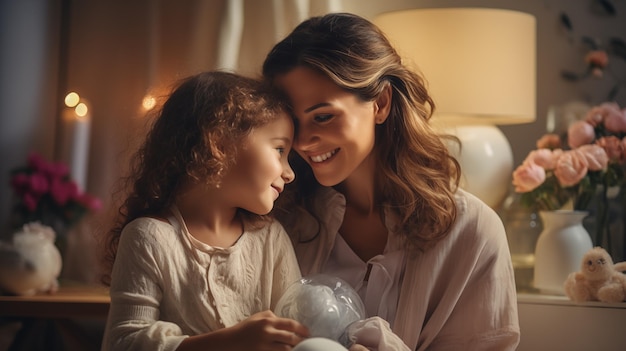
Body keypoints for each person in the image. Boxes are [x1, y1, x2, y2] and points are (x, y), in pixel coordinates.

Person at [262, 12, 520, 351]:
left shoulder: (472, 232)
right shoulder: (279, 219)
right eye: (294, 123)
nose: (304, 141)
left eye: (323, 116)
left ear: (381, 103)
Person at [100, 71, 309, 351]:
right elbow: (122, 344)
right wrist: (231, 342)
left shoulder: (271, 238)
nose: (289, 172)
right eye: (279, 150)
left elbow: (299, 333)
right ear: (220, 143)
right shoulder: (148, 238)